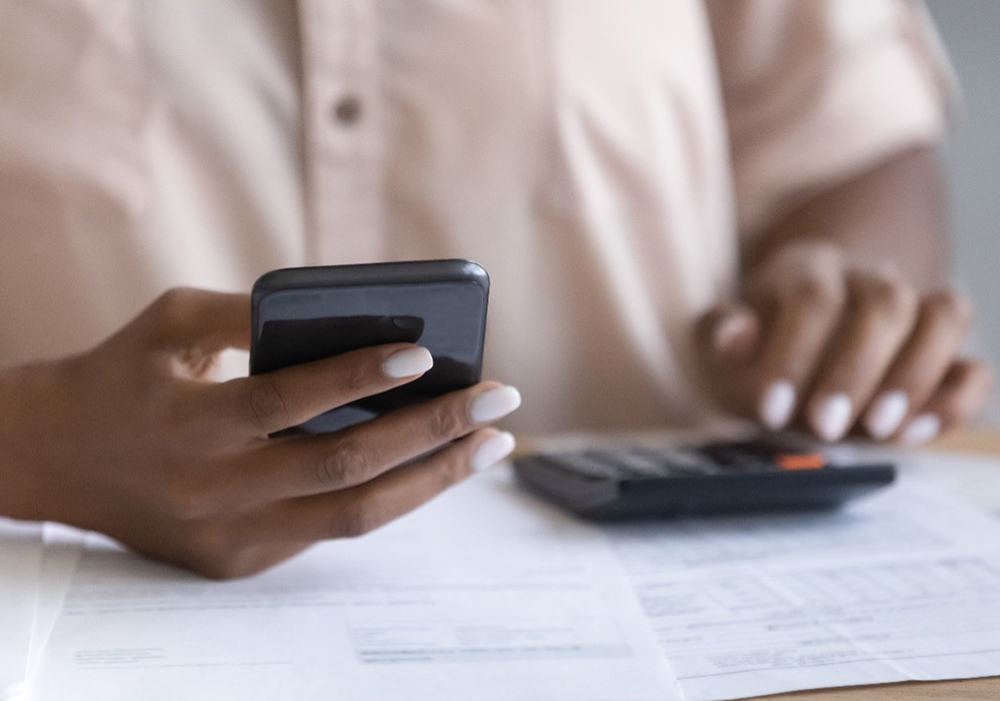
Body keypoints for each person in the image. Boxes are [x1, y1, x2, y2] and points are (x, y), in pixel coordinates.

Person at [0, 0, 992, 577]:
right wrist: (30, 441)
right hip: (76, 603)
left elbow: (846, 146)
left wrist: (821, 293)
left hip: (655, 598)